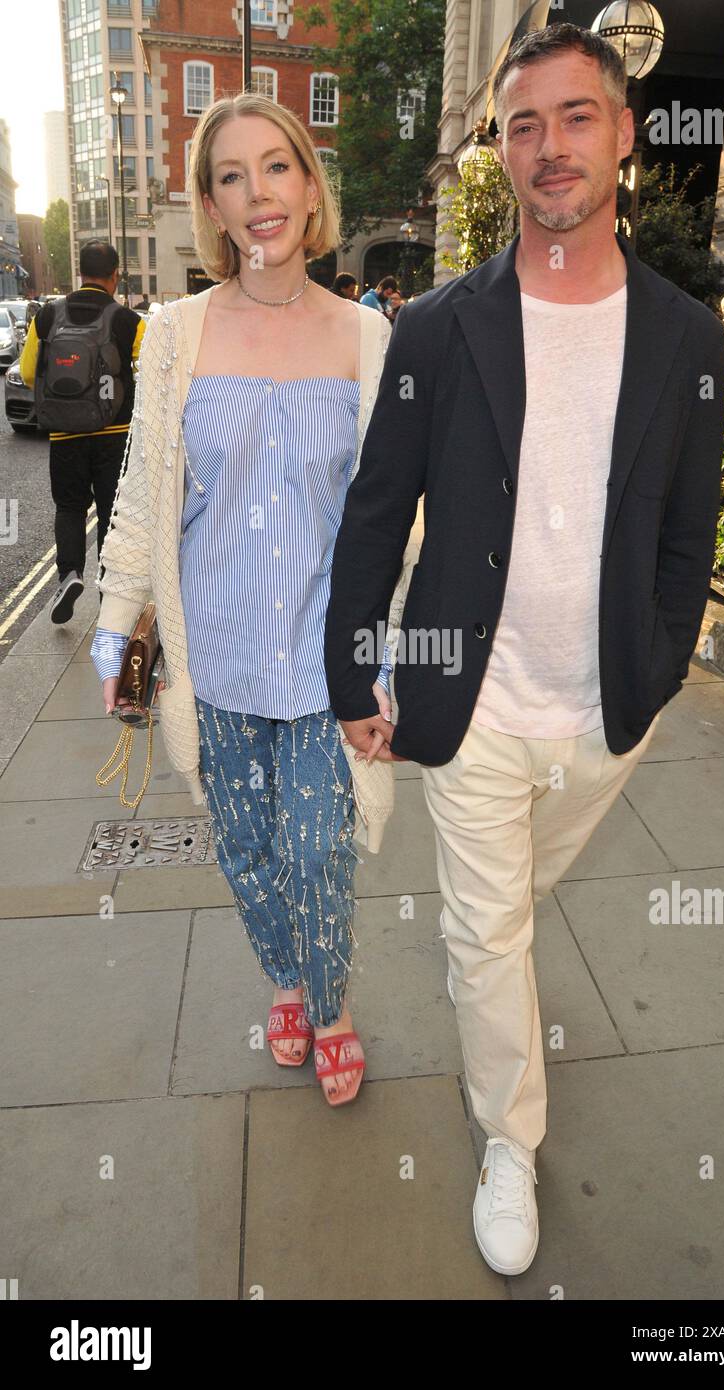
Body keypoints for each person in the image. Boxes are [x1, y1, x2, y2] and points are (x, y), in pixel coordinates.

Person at [325, 22, 724, 1270]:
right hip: (475, 705)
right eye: (522, 124)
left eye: (573, 117)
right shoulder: (438, 331)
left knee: (507, 913)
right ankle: (512, 1137)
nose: (548, 146)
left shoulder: (685, 336)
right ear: (500, 152)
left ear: (624, 139)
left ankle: (490, 992)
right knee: (487, 934)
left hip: (608, 705)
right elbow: (377, 509)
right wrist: (355, 673)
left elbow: (687, 530)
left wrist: (659, 666)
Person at [90, 91, 409, 1106]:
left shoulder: (368, 338)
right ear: (212, 206)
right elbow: (143, 493)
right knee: (247, 847)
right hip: (212, 649)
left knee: (319, 845)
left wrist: (398, 655)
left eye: (277, 166)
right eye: (232, 175)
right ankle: (284, 974)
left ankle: (330, 1004)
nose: (258, 192)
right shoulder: (175, 333)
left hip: (324, 656)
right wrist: (113, 630)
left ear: (309, 188)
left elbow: (400, 518)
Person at [19, 241, 145, 623]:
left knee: (70, 507)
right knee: (112, 512)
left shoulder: (46, 317)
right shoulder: (129, 321)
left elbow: (28, 374)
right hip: (114, 434)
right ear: (115, 276)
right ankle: (108, 593)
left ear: (79, 272)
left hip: (65, 433)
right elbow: (150, 376)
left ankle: (69, 575)